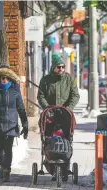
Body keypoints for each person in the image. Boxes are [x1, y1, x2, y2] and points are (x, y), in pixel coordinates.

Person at [37, 52, 80, 181]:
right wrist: (47, 107)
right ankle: (52, 167)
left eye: (62, 67)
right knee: (49, 139)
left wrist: (68, 108)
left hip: (65, 114)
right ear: (53, 67)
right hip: (50, 114)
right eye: (58, 67)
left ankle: (65, 168)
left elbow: (75, 95)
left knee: (66, 139)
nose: (61, 69)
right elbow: (40, 96)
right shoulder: (45, 80)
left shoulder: (68, 79)